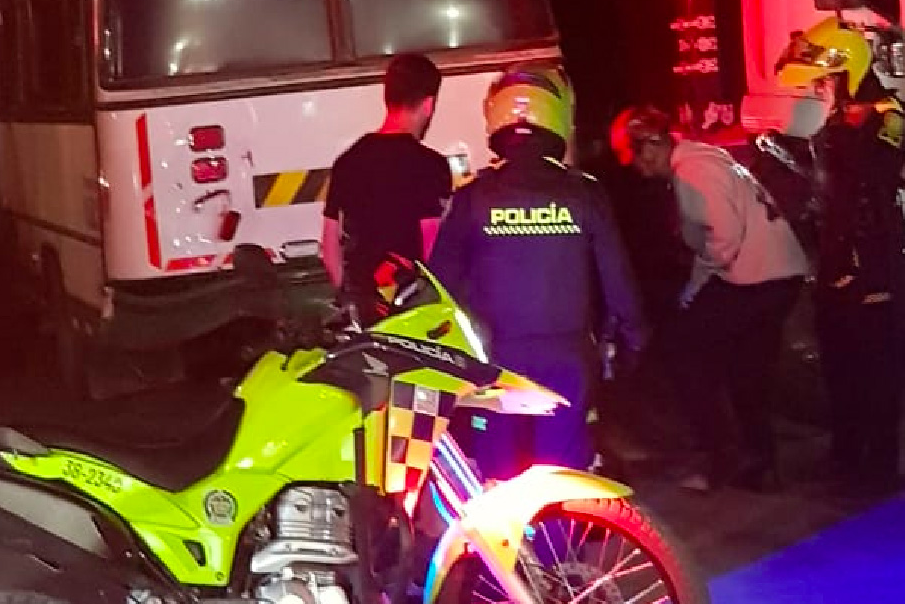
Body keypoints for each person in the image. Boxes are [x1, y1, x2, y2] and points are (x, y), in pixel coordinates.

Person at [428, 69, 646, 477]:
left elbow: (441, 282)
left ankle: (503, 519)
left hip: (495, 360)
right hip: (567, 357)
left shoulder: (473, 196)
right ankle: (556, 520)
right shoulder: (584, 192)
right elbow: (617, 278)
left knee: (497, 470)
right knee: (562, 472)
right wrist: (634, 339)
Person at [611, 105, 810, 493]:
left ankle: (721, 457)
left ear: (650, 145)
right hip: (775, 275)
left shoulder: (694, 171)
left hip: (756, 279)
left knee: (686, 355)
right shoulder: (706, 159)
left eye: (633, 157)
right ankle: (757, 464)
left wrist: (697, 282)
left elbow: (724, 238)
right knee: (746, 373)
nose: (636, 169)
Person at [773, 18, 905, 493]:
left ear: (846, 73)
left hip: (872, 266)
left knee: (876, 372)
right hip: (833, 263)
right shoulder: (837, 121)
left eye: (824, 80)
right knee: (839, 369)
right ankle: (846, 459)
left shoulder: (890, 114)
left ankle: (879, 469)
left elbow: (876, 170)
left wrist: (844, 133)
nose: (818, 89)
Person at [322, 54, 452, 314]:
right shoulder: (431, 165)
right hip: (410, 310)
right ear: (428, 104)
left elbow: (329, 244)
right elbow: (433, 247)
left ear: (388, 98)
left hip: (363, 310)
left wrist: (349, 300)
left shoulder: (348, 161)